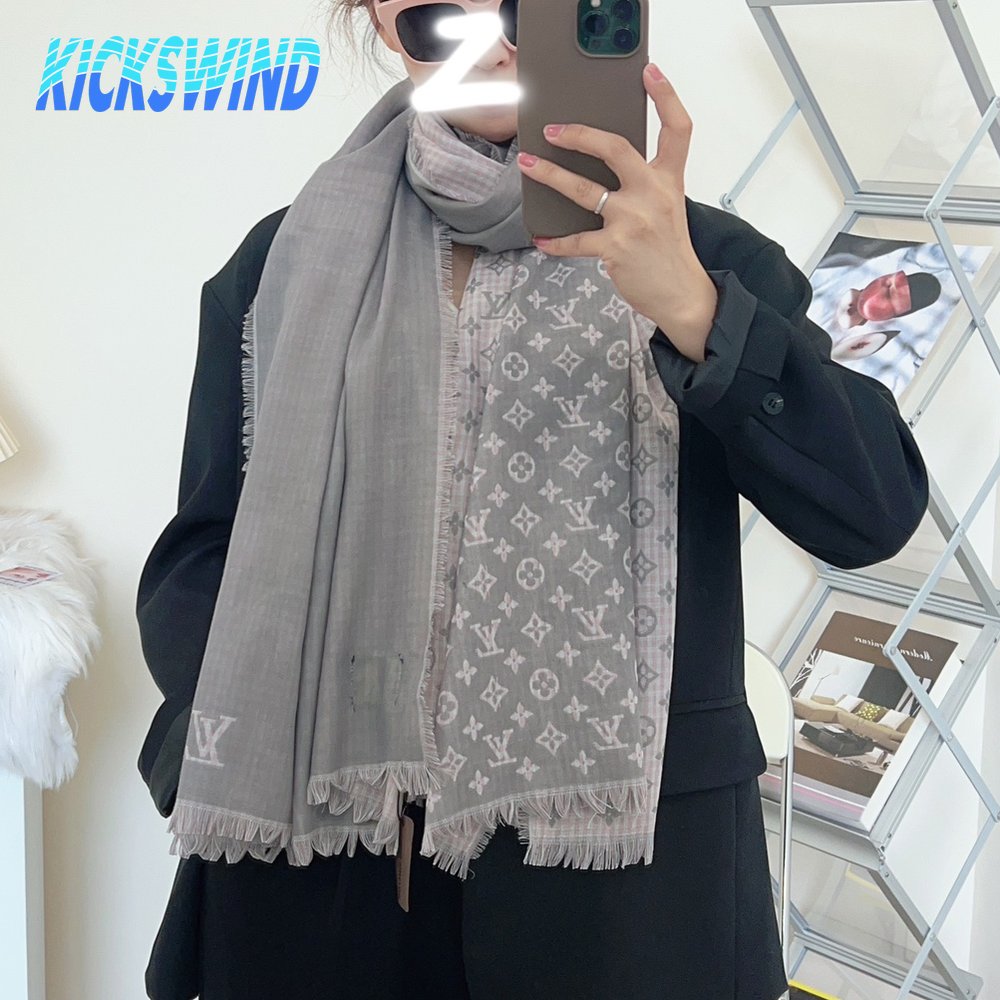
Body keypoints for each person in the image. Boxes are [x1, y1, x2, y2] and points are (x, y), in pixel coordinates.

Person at [135, 1, 930, 998]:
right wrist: (243, 732)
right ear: (380, 21)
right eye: (438, 21)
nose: (497, 46)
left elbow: (872, 511)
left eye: (523, 10)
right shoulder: (287, 263)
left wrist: (696, 310)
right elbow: (200, 556)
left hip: (626, 907)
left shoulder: (708, 258)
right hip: (324, 883)